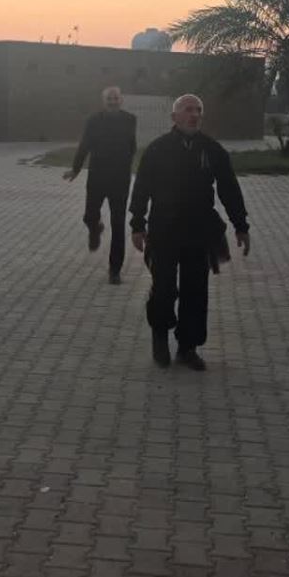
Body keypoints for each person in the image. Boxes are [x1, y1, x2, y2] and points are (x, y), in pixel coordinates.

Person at [129, 94, 250, 371]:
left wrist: (241, 225)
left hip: (198, 230)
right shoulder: (158, 149)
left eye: (198, 110)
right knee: (164, 287)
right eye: (187, 110)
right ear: (174, 117)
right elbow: (142, 187)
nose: (194, 115)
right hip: (164, 229)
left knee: (195, 290)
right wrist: (137, 224)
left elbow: (229, 189)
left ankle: (188, 346)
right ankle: (160, 336)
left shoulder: (212, 150)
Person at [63, 86, 139, 283]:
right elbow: (84, 145)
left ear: (121, 100)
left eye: (115, 98)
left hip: (120, 180)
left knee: (118, 224)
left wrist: (126, 165)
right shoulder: (93, 121)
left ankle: (115, 270)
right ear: (103, 101)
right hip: (97, 177)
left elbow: (132, 146)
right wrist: (76, 169)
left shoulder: (130, 119)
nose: (112, 101)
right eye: (109, 99)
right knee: (89, 215)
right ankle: (95, 228)